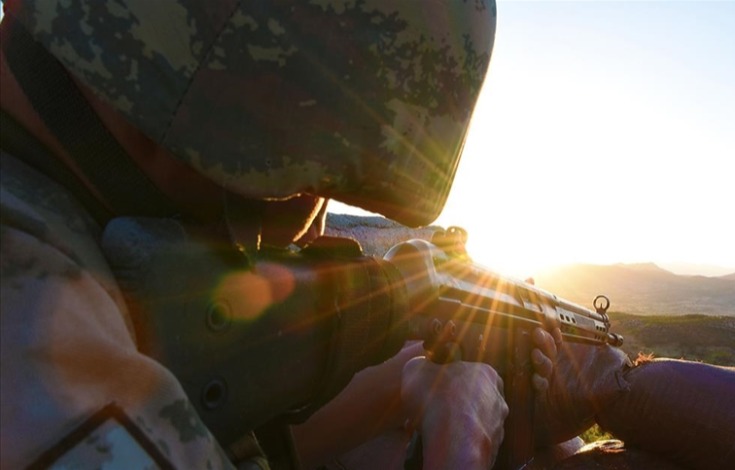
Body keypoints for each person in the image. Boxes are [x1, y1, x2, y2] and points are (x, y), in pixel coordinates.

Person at [0, 1, 516, 468]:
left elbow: (205, 425)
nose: (315, 228)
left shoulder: (54, 227)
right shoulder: (44, 352)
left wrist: (412, 386)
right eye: (315, 181)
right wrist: (462, 446)